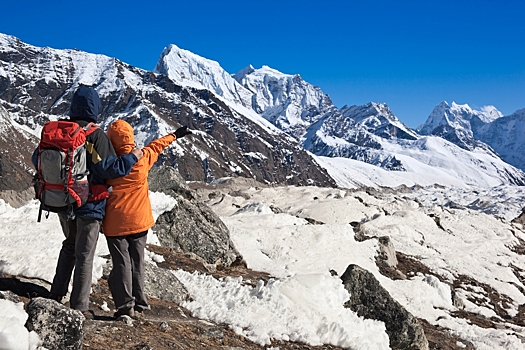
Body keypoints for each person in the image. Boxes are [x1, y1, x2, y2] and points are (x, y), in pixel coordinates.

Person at [34, 85, 144, 319]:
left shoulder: (60, 130)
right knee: (85, 253)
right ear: (95, 108)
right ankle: (79, 307)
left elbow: (37, 158)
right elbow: (109, 169)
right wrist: (133, 157)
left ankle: (56, 294)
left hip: (63, 199)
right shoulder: (95, 134)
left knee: (70, 245)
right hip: (90, 203)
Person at [102, 119, 191, 319]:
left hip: (115, 223)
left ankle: (126, 306)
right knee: (137, 261)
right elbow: (157, 145)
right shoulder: (142, 158)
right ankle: (140, 303)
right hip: (140, 221)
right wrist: (175, 135)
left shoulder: (108, 164)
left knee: (122, 263)